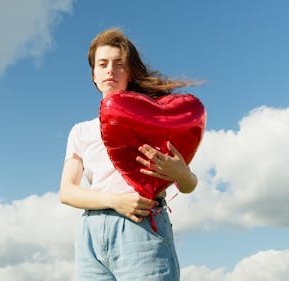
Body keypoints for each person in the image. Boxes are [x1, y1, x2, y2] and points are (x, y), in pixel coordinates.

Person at [59, 28, 198, 281]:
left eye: (119, 64)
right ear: (94, 74)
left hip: (141, 227)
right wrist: (114, 200)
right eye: (102, 64)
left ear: (130, 72)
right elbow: (67, 192)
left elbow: (189, 185)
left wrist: (181, 173)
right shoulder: (80, 131)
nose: (110, 70)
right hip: (91, 233)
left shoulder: (153, 121)